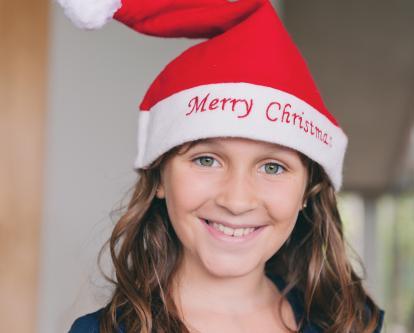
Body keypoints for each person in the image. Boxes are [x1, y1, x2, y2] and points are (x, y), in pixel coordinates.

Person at [59, 0, 385, 332]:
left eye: (272, 167)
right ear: (159, 176)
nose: (237, 200)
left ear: (307, 190)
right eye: (206, 160)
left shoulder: (350, 323)